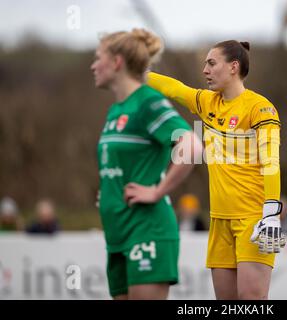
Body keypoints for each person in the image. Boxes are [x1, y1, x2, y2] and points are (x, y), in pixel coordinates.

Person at [146, 40, 285, 299]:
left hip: (253, 219)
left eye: (211, 63)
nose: (205, 70)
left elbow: (271, 162)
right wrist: (136, 72)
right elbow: (175, 89)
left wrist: (271, 212)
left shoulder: (259, 107)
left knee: (251, 301)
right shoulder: (208, 102)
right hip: (219, 220)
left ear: (233, 67)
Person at [91, 28, 203, 300]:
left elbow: (192, 145)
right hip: (117, 234)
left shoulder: (148, 102)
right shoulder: (116, 110)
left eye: (98, 58)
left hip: (147, 230)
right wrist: (110, 190)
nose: (93, 66)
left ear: (117, 62)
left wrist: (157, 190)